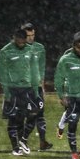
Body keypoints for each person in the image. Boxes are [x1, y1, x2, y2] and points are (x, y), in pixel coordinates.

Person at [0, 29, 41, 155]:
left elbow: (34, 70)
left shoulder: (30, 50)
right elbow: (2, 72)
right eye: (19, 41)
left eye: (24, 42)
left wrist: (36, 90)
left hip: (27, 88)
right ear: (14, 38)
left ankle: (23, 140)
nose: (22, 44)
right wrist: (6, 91)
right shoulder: (5, 51)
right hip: (12, 89)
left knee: (33, 113)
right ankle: (15, 148)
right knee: (13, 118)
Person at [21, 22, 53, 151]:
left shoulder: (40, 48)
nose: (31, 38)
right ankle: (22, 139)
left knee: (40, 113)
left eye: (33, 35)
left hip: (37, 87)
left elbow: (42, 67)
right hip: (24, 87)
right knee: (30, 114)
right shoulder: (18, 49)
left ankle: (42, 142)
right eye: (28, 35)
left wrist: (42, 85)